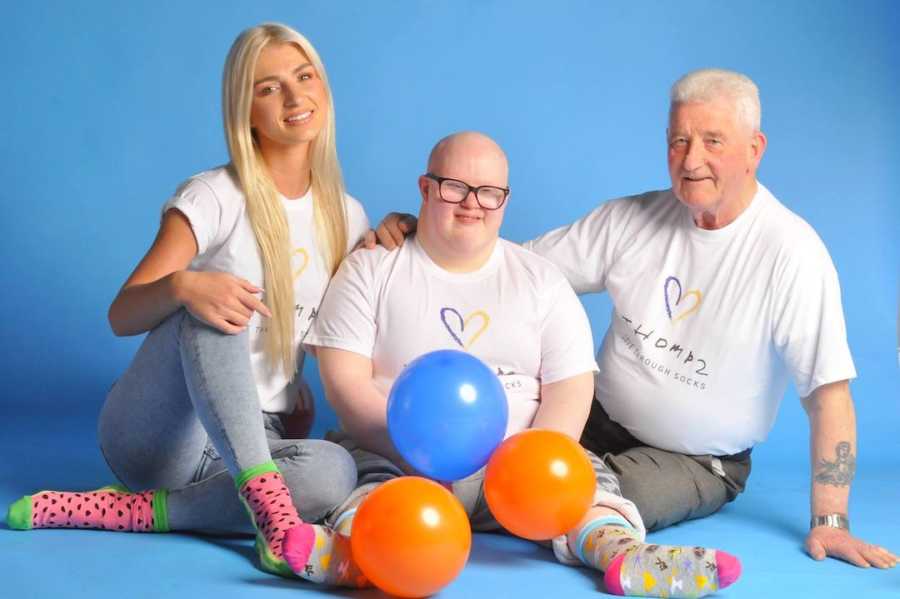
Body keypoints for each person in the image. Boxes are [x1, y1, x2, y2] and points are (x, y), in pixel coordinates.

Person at [372, 70, 898, 570]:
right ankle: (421, 502)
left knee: (571, 499)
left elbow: (828, 395)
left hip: (696, 461)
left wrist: (831, 520)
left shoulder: (792, 254)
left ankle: (424, 510)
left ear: (754, 150)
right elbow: (512, 269)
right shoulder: (631, 220)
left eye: (713, 141)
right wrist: (433, 227)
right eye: (678, 141)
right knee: (523, 470)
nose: (691, 160)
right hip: (592, 424)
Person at [291, 131, 743, 598]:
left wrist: (532, 458)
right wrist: (410, 451)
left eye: (489, 193)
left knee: (584, 486)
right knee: (370, 491)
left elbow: (570, 387)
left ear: (504, 200)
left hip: (513, 471)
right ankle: (351, 553)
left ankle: (625, 556)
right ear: (426, 189)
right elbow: (345, 384)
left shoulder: (540, 279)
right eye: (454, 187)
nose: (473, 204)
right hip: (397, 455)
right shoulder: (370, 269)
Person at [6, 23, 372, 586]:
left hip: (253, 437)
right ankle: (274, 523)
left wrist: (402, 231)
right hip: (162, 436)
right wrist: (182, 287)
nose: (296, 98)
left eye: (304, 77)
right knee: (213, 305)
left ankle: (136, 513)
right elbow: (121, 313)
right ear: (244, 110)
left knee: (336, 471)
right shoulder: (214, 196)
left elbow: (341, 328)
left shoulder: (347, 216)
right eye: (269, 87)